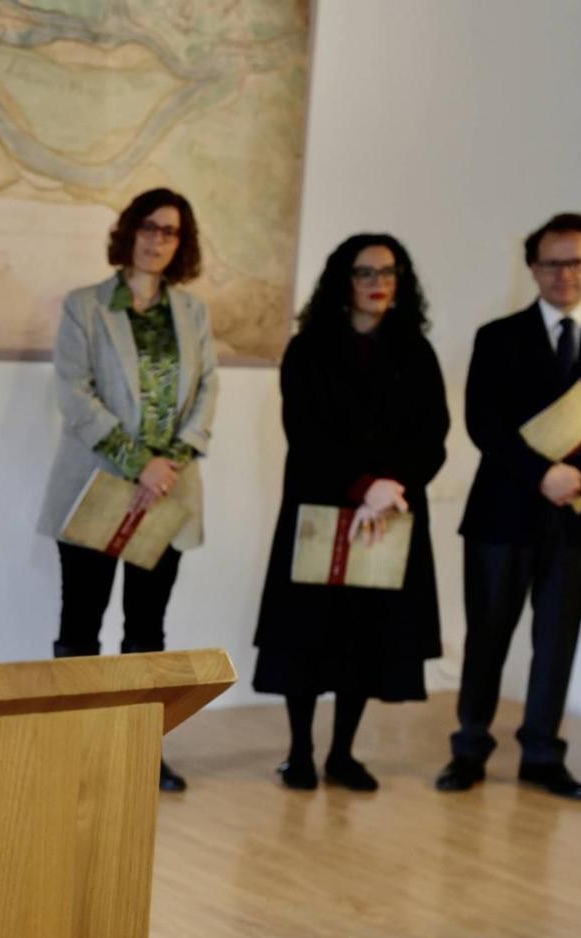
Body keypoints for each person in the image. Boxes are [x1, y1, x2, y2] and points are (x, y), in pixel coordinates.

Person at [438, 213, 581, 801]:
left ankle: (542, 753)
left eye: (578, 261)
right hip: (503, 513)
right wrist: (543, 474)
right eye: (553, 262)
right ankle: (470, 749)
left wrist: (580, 474)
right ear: (532, 267)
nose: (566, 274)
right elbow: (485, 423)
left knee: (558, 637)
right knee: (489, 634)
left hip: (580, 514)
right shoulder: (497, 336)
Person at [35, 187, 218, 791]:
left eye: (170, 231)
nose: (158, 240)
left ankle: (142, 751)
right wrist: (138, 462)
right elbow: (74, 393)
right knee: (81, 624)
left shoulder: (191, 312)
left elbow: (206, 394)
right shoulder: (86, 306)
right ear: (128, 231)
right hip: (98, 485)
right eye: (149, 227)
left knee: (147, 629)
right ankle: (73, 749)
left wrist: (168, 466)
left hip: (166, 494)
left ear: (181, 242)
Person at [251, 235, 450, 790]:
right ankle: (300, 752)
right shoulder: (309, 348)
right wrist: (364, 485)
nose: (377, 283)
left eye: (388, 272)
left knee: (367, 635)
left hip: (389, 512)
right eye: (364, 273)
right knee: (307, 635)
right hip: (322, 503)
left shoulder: (416, 350)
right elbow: (306, 433)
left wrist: (392, 487)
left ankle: (343, 753)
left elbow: (433, 436)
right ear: (344, 280)